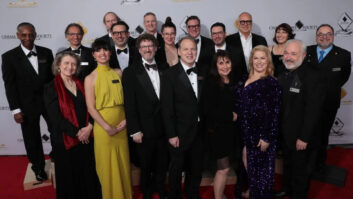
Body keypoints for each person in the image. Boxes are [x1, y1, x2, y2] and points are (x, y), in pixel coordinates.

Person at [43, 51, 101, 199]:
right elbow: (55, 118)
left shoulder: (82, 83)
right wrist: (77, 133)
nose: (70, 67)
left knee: (88, 173)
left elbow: (93, 107)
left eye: (73, 64)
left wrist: (89, 128)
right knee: (69, 178)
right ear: (58, 66)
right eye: (66, 63)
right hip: (65, 140)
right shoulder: (50, 87)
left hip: (87, 137)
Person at [1, 22, 54, 181]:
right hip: (26, 105)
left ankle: (57, 156)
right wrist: (15, 110)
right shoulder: (9, 57)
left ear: (35, 34)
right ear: (18, 36)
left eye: (30, 34)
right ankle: (38, 167)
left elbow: (52, 80)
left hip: (48, 102)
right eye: (24, 35)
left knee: (57, 130)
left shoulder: (47, 52)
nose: (28, 38)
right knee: (32, 137)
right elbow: (9, 86)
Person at [275, 39, 324, 199]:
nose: (288, 57)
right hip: (286, 134)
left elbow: (313, 111)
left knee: (301, 172)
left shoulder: (313, 76)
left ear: (303, 55)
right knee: (288, 165)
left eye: (293, 54)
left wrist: (304, 137)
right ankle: (287, 189)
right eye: (286, 53)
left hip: (302, 137)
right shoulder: (283, 73)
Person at [122, 33, 169, 199]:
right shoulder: (130, 72)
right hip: (143, 127)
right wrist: (134, 130)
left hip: (164, 126)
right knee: (146, 163)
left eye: (150, 46)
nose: (148, 49)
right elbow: (129, 103)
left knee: (162, 162)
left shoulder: (165, 67)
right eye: (144, 46)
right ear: (139, 50)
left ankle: (160, 188)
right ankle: (146, 191)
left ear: (156, 48)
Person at [84, 39, 132, 199]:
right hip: (103, 128)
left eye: (105, 50)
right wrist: (106, 127)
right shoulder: (90, 78)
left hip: (122, 126)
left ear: (110, 53)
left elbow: (128, 101)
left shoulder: (119, 73)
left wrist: (126, 121)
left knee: (123, 162)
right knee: (106, 165)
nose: (102, 53)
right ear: (93, 55)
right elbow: (91, 107)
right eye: (98, 51)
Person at [234, 45, 281, 199]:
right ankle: (253, 191)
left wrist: (267, 136)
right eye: (256, 58)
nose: (259, 61)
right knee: (246, 161)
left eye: (263, 58)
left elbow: (274, 113)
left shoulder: (271, 83)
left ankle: (260, 194)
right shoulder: (245, 77)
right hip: (245, 131)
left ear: (268, 60)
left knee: (261, 171)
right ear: (251, 60)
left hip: (261, 133)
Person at [161, 36, 204, 199]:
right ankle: (175, 195)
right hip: (179, 132)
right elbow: (167, 107)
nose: (190, 52)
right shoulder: (169, 75)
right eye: (185, 49)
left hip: (199, 131)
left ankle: (193, 194)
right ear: (178, 51)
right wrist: (172, 134)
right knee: (176, 169)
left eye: (193, 48)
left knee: (196, 168)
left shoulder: (204, 71)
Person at [306, 24, 351, 172]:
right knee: (307, 133)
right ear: (316, 36)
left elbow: (343, 77)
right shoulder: (307, 51)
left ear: (333, 35)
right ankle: (306, 162)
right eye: (321, 34)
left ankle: (319, 164)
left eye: (328, 34)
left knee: (323, 134)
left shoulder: (344, 54)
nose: (324, 37)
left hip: (329, 102)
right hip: (307, 102)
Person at [202, 50, 237, 199]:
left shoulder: (233, 80)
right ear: (215, 65)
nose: (225, 66)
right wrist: (231, 115)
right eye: (221, 63)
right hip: (216, 133)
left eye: (227, 62)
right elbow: (208, 111)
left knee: (224, 168)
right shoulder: (211, 83)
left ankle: (220, 194)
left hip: (230, 132)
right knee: (224, 169)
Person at [226, 12, 267, 77]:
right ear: (238, 23)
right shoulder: (229, 40)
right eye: (242, 22)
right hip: (236, 79)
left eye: (248, 22)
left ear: (251, 23)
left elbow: (266, 60)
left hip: (257, 78)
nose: (245, 24)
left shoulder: (261, 40)